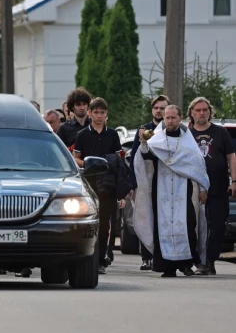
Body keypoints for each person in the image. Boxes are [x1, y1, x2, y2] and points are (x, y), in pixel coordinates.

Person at [133, 105, 209, 278]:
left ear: (180, 117)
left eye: (173, 117)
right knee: (164, 226)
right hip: (162, 191)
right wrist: (144, 143)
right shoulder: (156, 139)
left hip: (183, 190)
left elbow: (198, 166)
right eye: (167, 118)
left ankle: (186, 264)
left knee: (188, 224)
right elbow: (146, 157)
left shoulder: (188, 142)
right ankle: (167, 267)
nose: (170, 121)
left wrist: (203, 188)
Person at [73, 98, 128, 275]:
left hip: (108, 186)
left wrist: (121, 192)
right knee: (87, 223)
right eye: (95, 112)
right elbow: (76, 158)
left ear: (106, 115)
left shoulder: (112, 135)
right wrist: (88, 164)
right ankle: (86, 256)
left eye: (102, 113)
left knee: (105, 224)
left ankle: (101, 259)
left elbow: (118, 159)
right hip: (88, 185)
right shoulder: (82, 135)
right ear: (89, 113)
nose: (99, 116)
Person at [188, 97, 236, 275]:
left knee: (217, 227)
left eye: (204, 110)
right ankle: (196, 261)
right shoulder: (187, 134)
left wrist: (234, 182)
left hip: (218, 187)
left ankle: (209, 261)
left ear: (210, 112)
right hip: (192, 189)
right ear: (192, 113)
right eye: (198, 110)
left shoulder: (221, 132)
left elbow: (231, 157)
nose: (202, 113)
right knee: (194, 227)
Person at [130, 95, 169, 271]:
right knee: (146, 215)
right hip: (147, 180)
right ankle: (146, 257)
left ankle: (163, 255)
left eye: (163, 108)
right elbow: (135, 157)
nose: (159, 111)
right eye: (157, 108)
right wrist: (132, 183)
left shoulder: (171, 128)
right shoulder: (145, 129)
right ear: (152, 109)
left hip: (167, 181)